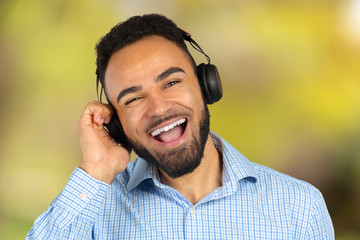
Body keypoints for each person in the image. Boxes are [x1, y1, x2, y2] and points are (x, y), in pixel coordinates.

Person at [26, 14, 334, 239]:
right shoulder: (93, 207)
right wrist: (95, 170)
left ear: (205, 84)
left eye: (171, 82)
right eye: (133, 99)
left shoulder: (299, 207)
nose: (159, 108)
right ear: (116, 123)